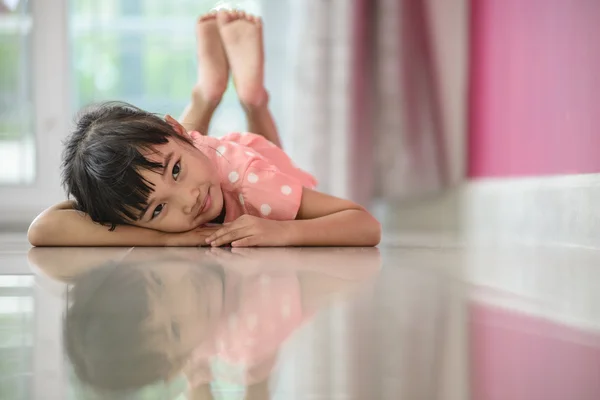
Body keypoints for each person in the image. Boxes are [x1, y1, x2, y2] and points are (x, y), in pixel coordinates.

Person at [27, 10, 381, 247]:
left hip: (252, 169)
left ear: (179, 129)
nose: (189, 201)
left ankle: (250, 99)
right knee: (178, 158)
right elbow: (43, 229)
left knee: (270, 186)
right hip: (201, 153)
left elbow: (365, 224)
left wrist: (285, 232)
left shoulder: (252, 182)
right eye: (157, 210)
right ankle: (209, 92)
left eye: (176, 173)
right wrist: (164, 240)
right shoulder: (136, 188)